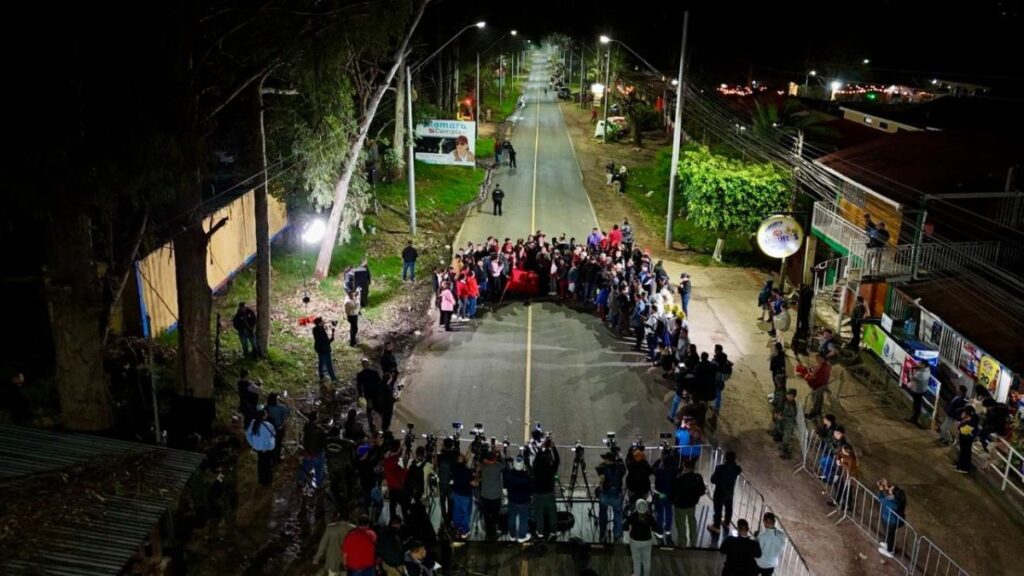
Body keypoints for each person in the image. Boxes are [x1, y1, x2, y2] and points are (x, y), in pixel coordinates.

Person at [672, 460, 706, 548]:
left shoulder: (679, 478)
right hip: (692, 504)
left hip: (680, 505)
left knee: (681, 523)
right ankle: (693, 541)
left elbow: (675, 491)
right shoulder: (698, 477)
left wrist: (673, 500)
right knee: (692, 521)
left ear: (684, 466)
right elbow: (702, 490)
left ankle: (682, 542)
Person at [532, 439, 560, 540]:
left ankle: (540, 532)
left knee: (539, 513)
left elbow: (536, 460)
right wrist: (553, 448)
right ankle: (553, 531)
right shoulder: (551, 468)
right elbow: (557, 460)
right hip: (549, 493)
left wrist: (540, 449)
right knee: (552, 513)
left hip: (538, 493)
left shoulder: (536, 468)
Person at [708, 451, 742, 535]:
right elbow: (738, 469)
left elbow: (713, 480)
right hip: (729, 492)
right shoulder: (737, 469)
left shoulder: (720, 468)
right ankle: (727, 522)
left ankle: (716, 526)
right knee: (728, 508)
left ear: (725, 458)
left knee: (718, 510)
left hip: (720, 492)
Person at [596, 450, 627, 542]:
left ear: (609, 460)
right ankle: (617, 535)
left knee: (603, 514)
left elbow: (598, 469)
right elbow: (623, 467)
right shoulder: (620, 469)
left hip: (605, 495)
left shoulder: (603, 468)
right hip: (616, 496)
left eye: (605, 459)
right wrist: (619, 458)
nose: (604, 460)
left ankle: (603, 533)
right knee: (618, 515)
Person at [313, 511, 354, 576]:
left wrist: (317, 558)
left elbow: (323, 544)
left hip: (333, 560)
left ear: (338, 517)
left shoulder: (330, 528)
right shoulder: (353, 528)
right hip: (348, 560)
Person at [503, 455, 533, 543]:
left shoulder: (509, 475)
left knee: (511, 518)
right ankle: (521, 536)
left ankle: (512, 535)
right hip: (524, 502)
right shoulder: (527, 478)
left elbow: (505, 473)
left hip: (512, 501)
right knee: (523, 519)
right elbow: (531, 489)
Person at [478, 449, 505, 541]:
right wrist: (499, 455)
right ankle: (494, 531)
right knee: (495, 513)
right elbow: (504, 465)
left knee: (486, 514)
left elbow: (482, 461)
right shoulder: (497, 466)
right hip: (496, 496)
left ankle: (488, 529)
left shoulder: (483, 466)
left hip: (485, 495)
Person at [651, 450, 677, 543]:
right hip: (669, 494)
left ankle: (659, 531)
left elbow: (653, 469)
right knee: (669, 511)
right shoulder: (674, 471)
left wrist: (660, 460)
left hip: (660, 494)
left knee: (660, 513)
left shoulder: (660, 471)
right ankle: (668, 530)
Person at [245, 409, 276, 486]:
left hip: (258, 448)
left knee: (260, 463)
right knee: (267, 464)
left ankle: (261, 480)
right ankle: (267, 481)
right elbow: (271, 436)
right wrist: (264, 449)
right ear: (264, 416)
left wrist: (253, 444)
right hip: (267, 449)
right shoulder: (268, 425)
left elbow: (248, 434)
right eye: (265, 414)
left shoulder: (253, 423)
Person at [625, 499, 656, 576]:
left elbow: (624, 526)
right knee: (646, 560)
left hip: (635, 541)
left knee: (636, 561)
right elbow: (656, 527)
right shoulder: (649, 516)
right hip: (647, 541)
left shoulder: (633, 516)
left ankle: (636, 574)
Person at [795, 353, 831, 419]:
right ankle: (818, 411)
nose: (816, 360)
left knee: (815, 400)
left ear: (822, 359)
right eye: (816, 359)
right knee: (819, 399)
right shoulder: (826, 366)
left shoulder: (821, 368)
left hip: (817, 387)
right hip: (822, 386)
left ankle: (813, 414)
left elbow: (814, 378)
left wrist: (804, 376)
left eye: (818, 359)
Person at [877, 479, 906, 559]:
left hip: (891, 521)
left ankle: (889, 551)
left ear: (893, 495)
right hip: (895, 520)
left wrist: (881, 490)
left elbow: (881, 499)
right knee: (889, 534)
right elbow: (891, 493)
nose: (889, 488)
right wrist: (886, 486)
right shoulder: (900, 498)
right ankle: (888, 544)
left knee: (890, 534)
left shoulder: (892, 503)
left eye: (890, 489)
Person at [450, 451, 475, 538]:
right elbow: (473, 483)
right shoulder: (467, 471)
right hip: (466, 495)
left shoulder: (454, 467)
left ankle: (457, 527)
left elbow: (464, 459)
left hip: (457, 493)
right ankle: (464, 530)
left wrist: (469, 450)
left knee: (457, 511)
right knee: (466, 513)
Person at [355, 358, 385, 431]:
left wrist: (360, 396)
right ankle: (384, 425)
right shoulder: (374, 372)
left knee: (369, 410)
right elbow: (380, 383)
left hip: (369, 396)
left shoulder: (360, 375)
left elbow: (359, 386)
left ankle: (371, 425)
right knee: (380, 409)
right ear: (368, 364)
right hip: (376, 394)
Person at [300, 413, 327, 489]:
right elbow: (324, 441)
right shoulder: (319, 430)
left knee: (304, 467)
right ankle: (319, 483)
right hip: (317, 453)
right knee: (319, 469)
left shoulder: (306, 427)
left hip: (307, 452)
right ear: (316, 419)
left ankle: (300, 480)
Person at [265, 393, 290, 462]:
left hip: (268, 428)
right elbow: (288, 413)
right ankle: (277, 458)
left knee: (271, 442)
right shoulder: (281, 407)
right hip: (279, 428)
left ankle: (271, 456)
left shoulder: (266, 407)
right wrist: (286, 404)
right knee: (278, 443)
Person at [906, 360, 931, 428]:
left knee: (916, 404)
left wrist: (910, 371)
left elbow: (911, 378)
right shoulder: (928, 370)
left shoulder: (920, 374)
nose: (918, 364)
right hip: (922, 390)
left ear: (923, 365)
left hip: (918, 390)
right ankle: (914, 417)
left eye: (920, 363)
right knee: (917, 404)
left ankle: (914, 418)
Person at [954, 406, 979, 474]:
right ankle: (959, 465)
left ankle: (964, 468)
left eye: (964, 412)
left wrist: (961, 424)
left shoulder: (971, 422)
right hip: (964, 439)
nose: (962, 413)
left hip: (967, 439)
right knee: (962, 452)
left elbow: (962, 430)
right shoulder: (968, 420)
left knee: (966, 453)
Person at [312, 317, 338, 382]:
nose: (324, 322)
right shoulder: (319, 330)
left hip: (320, 349)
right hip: (324, 349)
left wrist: (332, 334)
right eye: (322, 321)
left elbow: (324, 340)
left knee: (321, 362)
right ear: (319, 322)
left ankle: (321, 375)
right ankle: (333, 378)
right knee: (328, 363)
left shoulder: (317, 329)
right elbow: (325, 341)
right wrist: (332, 336)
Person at [776, 389, 798, 459]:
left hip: (789, 424)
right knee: (784, 437)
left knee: (787, 439)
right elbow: (784, 410)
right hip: (785, 422)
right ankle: (784, 448)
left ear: (792, 396)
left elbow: (792, 417)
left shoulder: (792, 406)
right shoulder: (787, 402)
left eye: (788, 395)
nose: (787, 396)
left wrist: (782, 417)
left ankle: (787, 454)